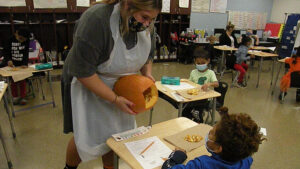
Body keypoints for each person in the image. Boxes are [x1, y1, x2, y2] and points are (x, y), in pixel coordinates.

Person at [61, 0, 161, 168]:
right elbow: (82, 71)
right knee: (88, 134)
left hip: (122, 85)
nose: (147, 23)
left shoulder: (146, 24)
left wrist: (147, 74)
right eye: (144, 17)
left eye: (152, 19)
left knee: (118, 135)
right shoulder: (97, 19)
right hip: (90, 81)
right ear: (128, 5)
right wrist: (114, 99)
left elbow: (148, 54)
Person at [162, 107, 266, 169]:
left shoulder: (201, 165)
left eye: (211, 133)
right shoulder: (245, 160)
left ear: (218, 148)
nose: (208, 134)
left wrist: (177, 157)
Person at [183, 48, 219, 123]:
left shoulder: (210, 73)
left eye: (202, 63)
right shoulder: (193, 72)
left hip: (205, 99)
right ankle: (187, 122)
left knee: (198, 109)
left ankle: (198, 121)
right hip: (194, 97)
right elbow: (189, 83)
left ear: (208, 61)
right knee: (185, 109)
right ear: (194, 62)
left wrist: (209, 84)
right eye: (198, 63)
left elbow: (216, 84)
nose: (200, 65)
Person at [2, 27, 30, 105]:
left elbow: (26, 52)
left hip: (21, 64)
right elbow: (5, 52)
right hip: (12, 64)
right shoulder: (9, 40)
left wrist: (25, 63)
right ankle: (15, 97)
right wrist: (8, 60)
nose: (22, 41)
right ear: (16, 34)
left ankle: (23, 97)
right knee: (13, 81)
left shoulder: (27, 40)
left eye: (23, 40)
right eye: (20, 38)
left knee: (22, 80)